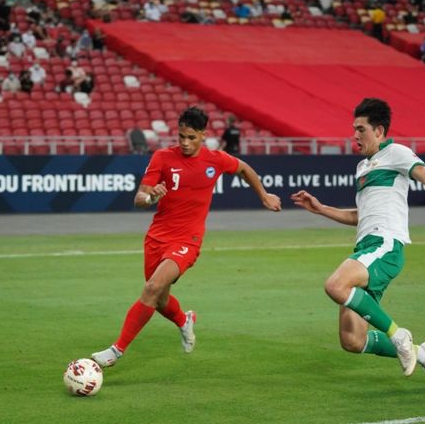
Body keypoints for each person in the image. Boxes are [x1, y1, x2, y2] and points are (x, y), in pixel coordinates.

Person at [291, 98, 425, 389]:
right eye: (354, 129)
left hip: (385, 244)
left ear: (379, 130)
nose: (355, 135)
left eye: (360, 129)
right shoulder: (362, 167)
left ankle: (399, 335)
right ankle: (422, 353)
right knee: (352, 341)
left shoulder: (396, 152)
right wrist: (320, 208)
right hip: (366, 248)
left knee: (335, 286)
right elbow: (359, 216)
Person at [91, 106, 282, 368]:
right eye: (181, 136)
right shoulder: (162, 157)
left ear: (203, 135)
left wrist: (264, 195)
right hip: (156, 238)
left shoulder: (215, 160)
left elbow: (245, 169)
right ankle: (184, 320)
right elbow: (139, 199)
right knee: (159, 300)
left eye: (191, 137)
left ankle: (116, 350)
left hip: (187, 241)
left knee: (151, 288)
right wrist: (151, 197)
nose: (185, 143)